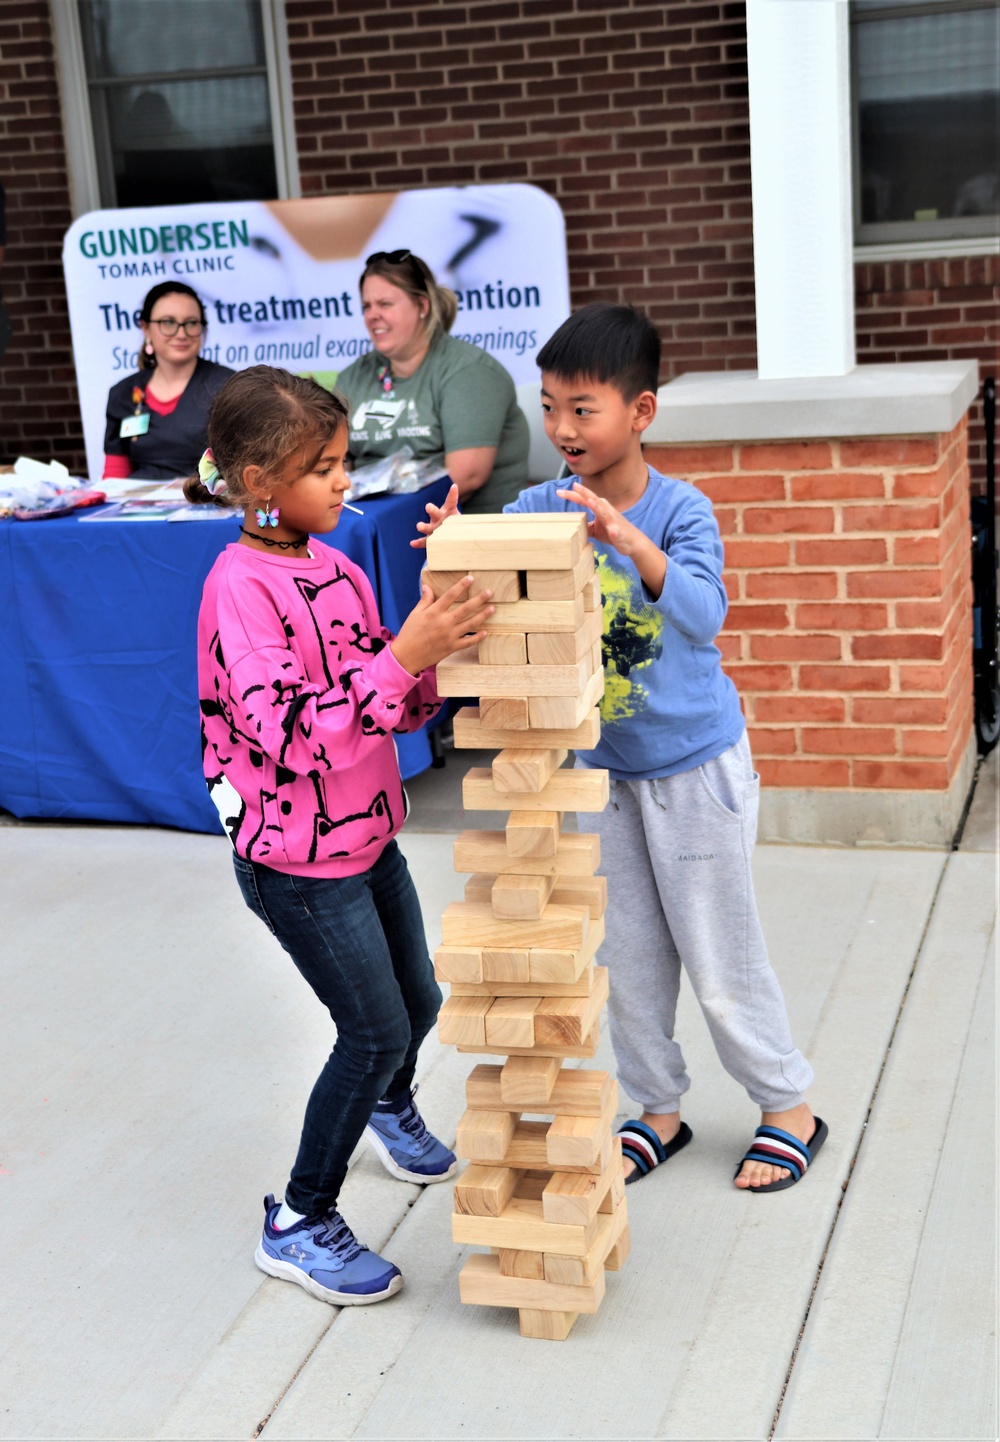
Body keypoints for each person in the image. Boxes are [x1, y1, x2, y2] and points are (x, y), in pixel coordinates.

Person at [422, 304, 827, 1193]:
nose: (562, 428)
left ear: (640, 412)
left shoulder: (683, 511)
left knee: (719, 955)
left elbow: (703, 614)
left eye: (583, 408)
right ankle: (659, 1109)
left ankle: (786, 1104)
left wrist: (628, 539)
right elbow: (485, 592)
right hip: (599, 774)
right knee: (631, 960)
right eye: (550, 407)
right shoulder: (537, 506)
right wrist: (457, 546)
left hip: (693, 769)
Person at [184, 366, 495, 1303]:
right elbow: (288, 736)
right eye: (322, 468)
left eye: (342, 460)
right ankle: (300, 1217)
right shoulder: (238, 592)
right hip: (295, 862)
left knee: (420, 1000)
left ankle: (387, 1107)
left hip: (367, 839)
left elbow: (386, 699)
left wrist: (433, 646)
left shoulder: (336, 563)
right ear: (258, 483)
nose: (344, 481)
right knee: (370, 1029)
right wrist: (404, 657)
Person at [336, 248, 529, 513]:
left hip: (463, 532)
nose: (372, 315)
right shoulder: (353, 377)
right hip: (369, 522)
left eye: (385, 304)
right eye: (366, 306)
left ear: (422, 306)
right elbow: (332, 462)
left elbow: (466, 478)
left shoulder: (468, 372)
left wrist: (383, 520)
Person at [102, 281, 233, 481]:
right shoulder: (123, 393)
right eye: (168, 323)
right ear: (145, 328)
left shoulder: (229, 387)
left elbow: (243, 470)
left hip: (207, 505)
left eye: (191, 323)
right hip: (139, 508)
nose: (181, 334)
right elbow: (114, 479)